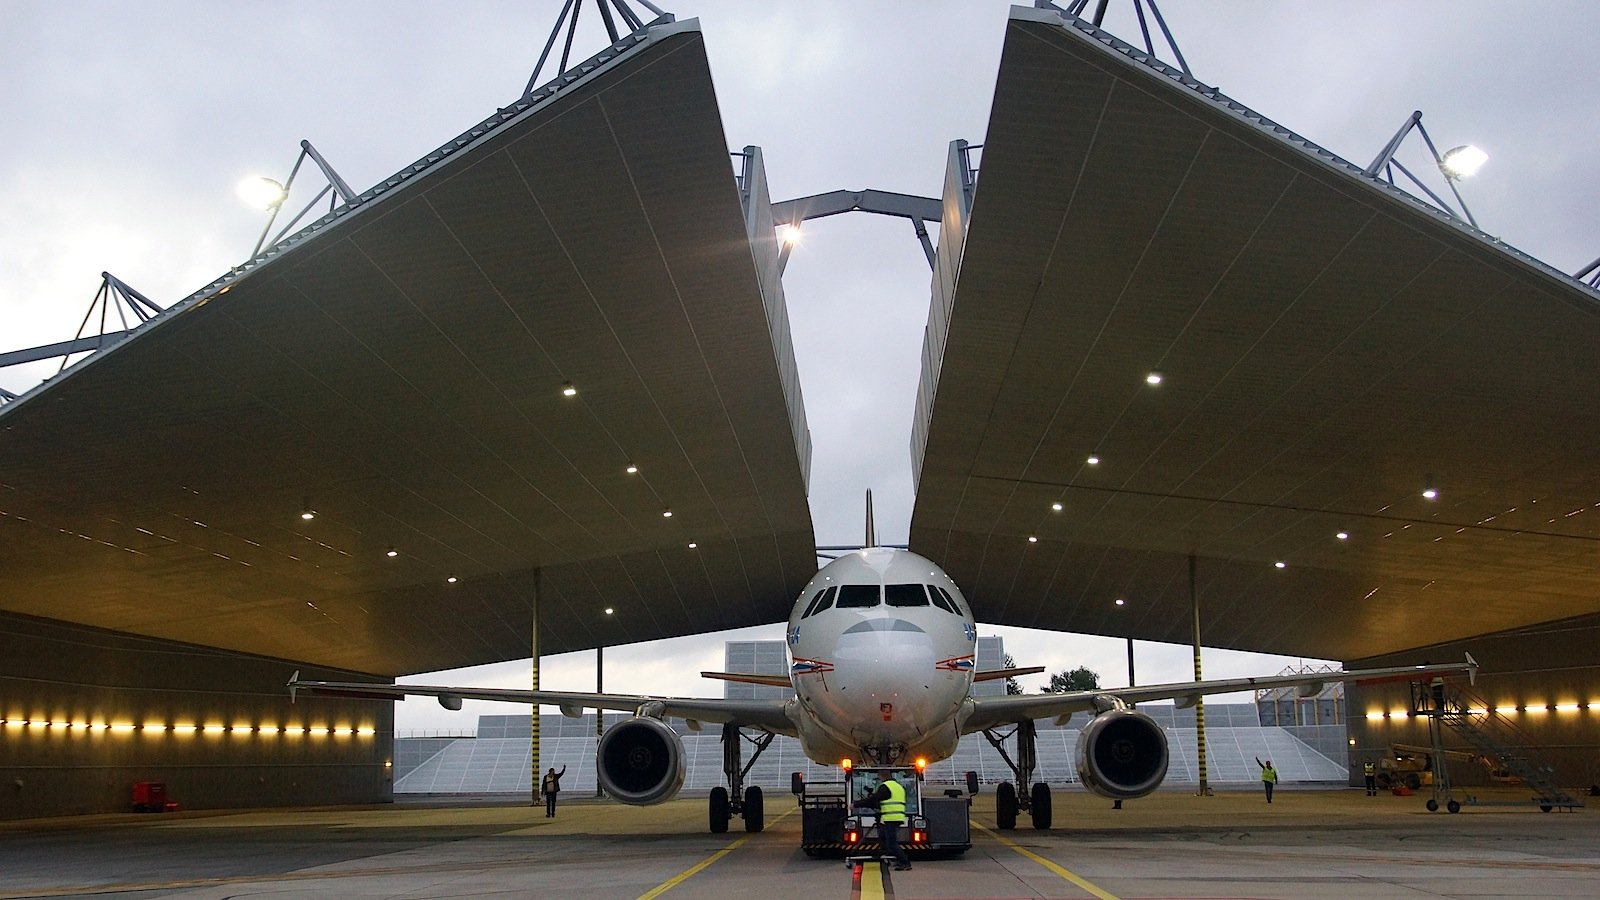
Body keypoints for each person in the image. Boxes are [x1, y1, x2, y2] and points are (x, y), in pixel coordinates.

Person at [869, 774, 913, 871]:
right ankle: (895, 858)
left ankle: (905, 862)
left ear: (883, 778)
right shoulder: (898, 787)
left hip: (890, 818)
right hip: (897, 817)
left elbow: (874, 799)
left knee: (891, 843)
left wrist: (856, 804)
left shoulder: (885, 787)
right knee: (885, 839)